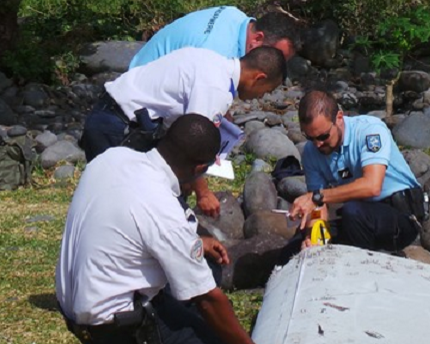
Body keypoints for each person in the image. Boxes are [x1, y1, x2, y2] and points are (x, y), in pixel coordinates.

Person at [57, 114, 281, 344]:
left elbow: (130, 227)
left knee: (205, 271)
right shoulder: (161, 207)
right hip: (107, 324)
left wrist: (195, 242)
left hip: (75, 304)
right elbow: (208, 299)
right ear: (199, 168)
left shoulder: (113, 158)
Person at [79, 45, 286, 217]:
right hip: (120, 128)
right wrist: (203, 193)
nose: (261, 97)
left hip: (109, 113)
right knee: (119, 205)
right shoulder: (216, 88)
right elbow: (193, 145)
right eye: (266, 90)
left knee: (110, 199)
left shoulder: (211, 59)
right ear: (259, 77)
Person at [284, 89, 425, 258]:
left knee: (353, 212)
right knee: (296, 245)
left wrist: (317, 196)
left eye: (323, 136)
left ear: (339, 118)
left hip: (401, 216)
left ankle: (366, 265)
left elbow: (372, 186)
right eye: (310, 137)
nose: (317, 144)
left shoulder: (369, 130)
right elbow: (318, 207)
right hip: (361, 215)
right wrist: (313, 236)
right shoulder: (311, 152)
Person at [129, 5, 298, 69]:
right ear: (257, 39)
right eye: (277, 58)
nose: (277, 67)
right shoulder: (217, 55)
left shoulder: (235, 15)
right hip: (139, 101)